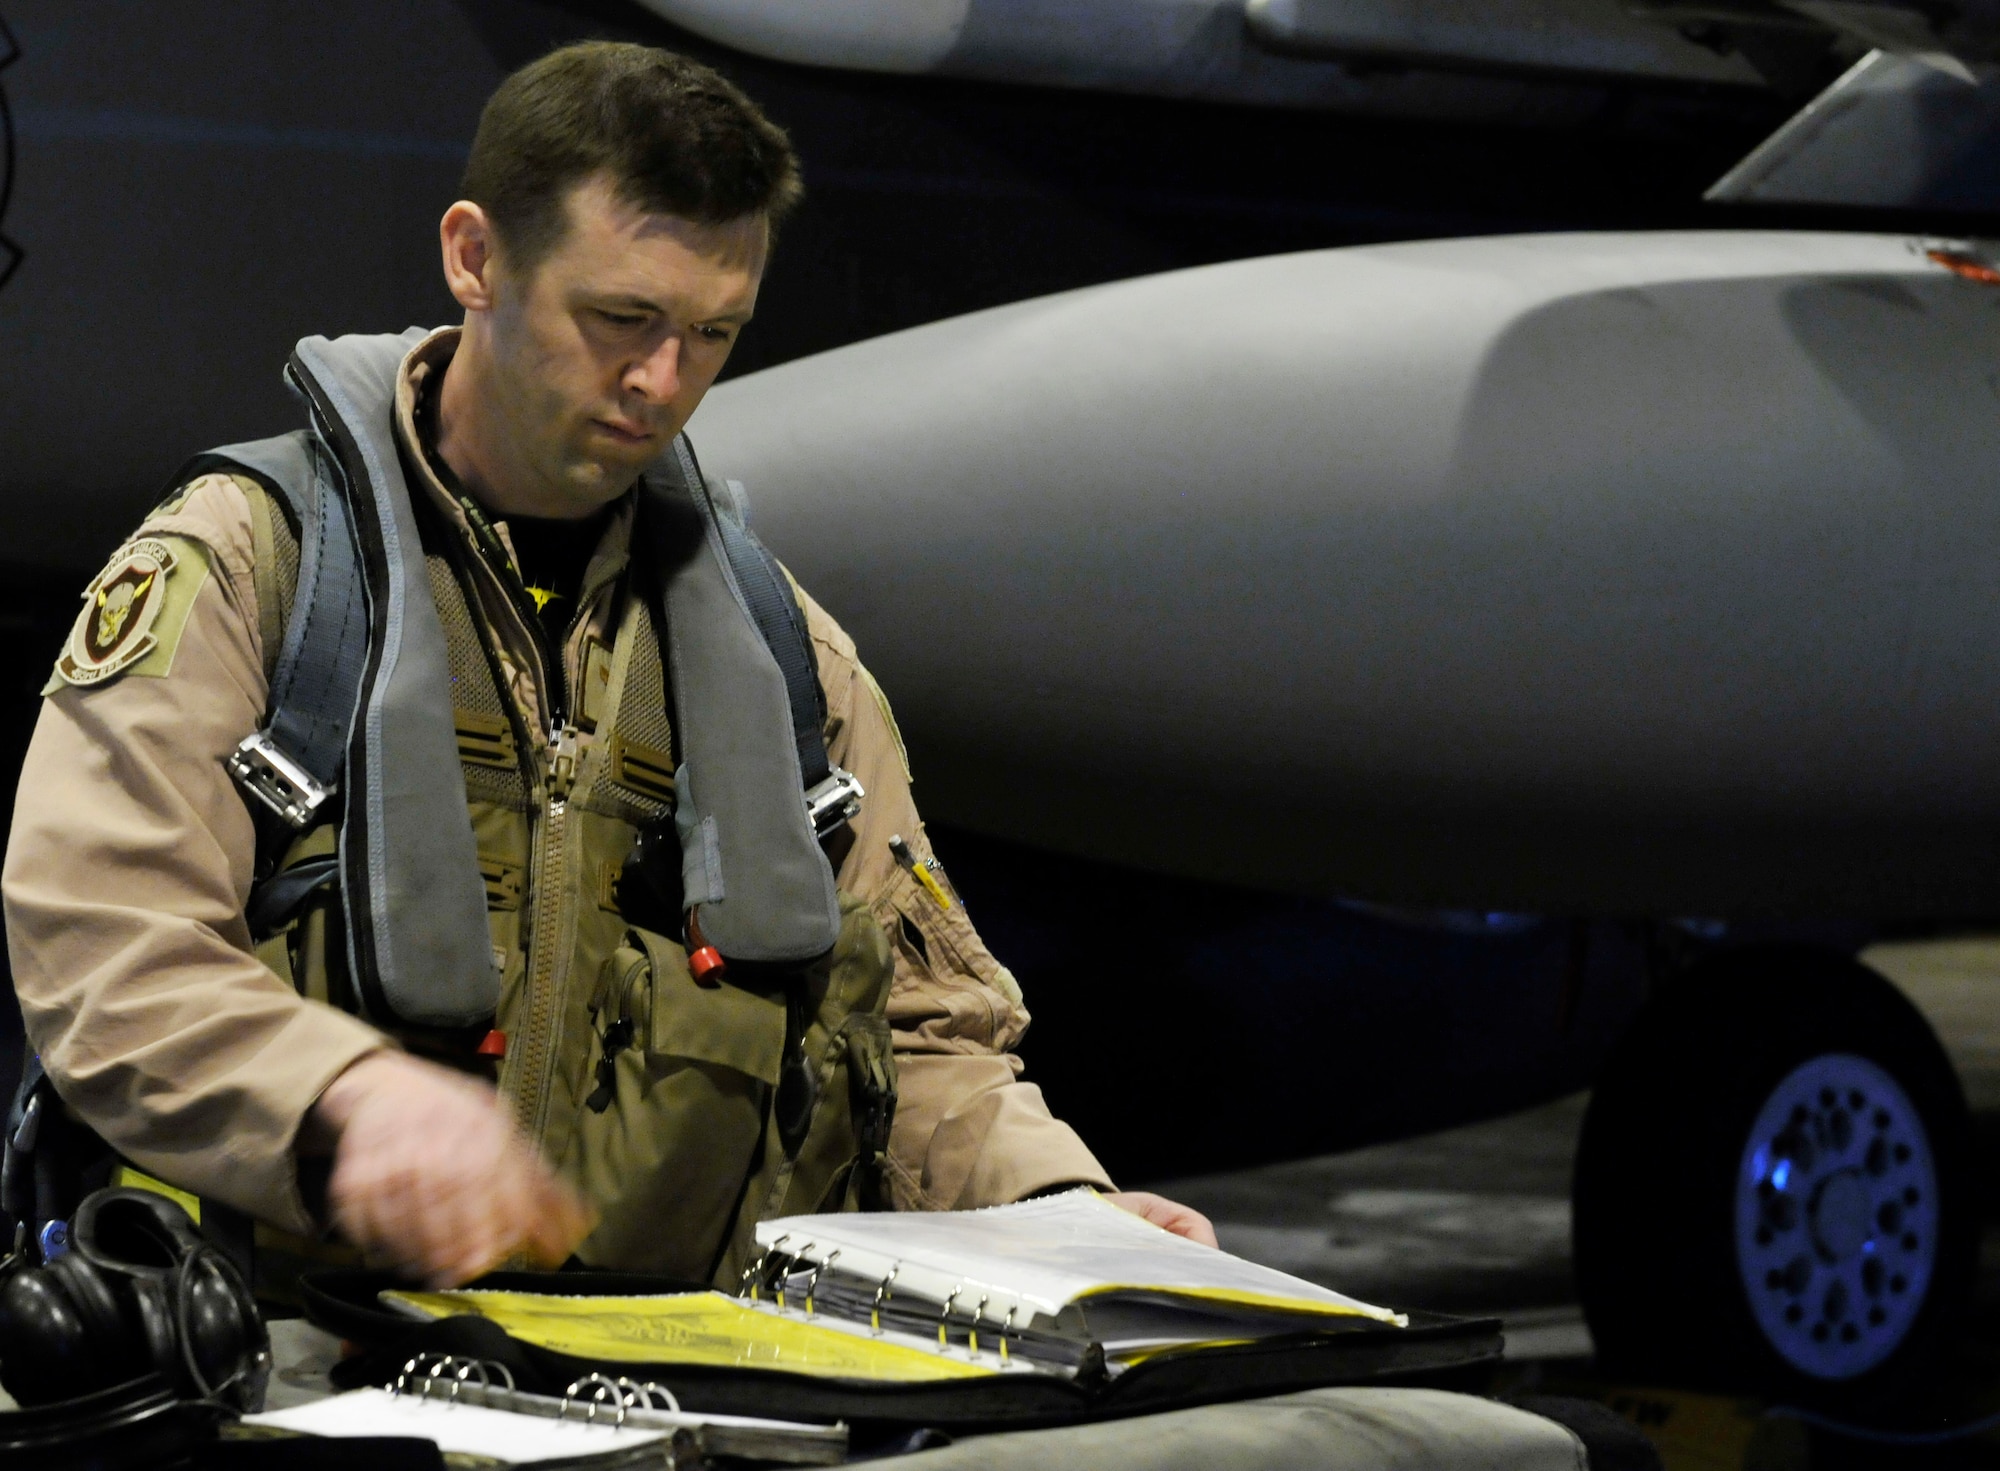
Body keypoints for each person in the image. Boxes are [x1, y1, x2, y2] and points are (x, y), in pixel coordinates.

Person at [1, 41, 1213, 1289]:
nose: (660, 382)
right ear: (474, 257)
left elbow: (921, 1032)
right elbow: (107, 945)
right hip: (287, 1365)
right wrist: (340, 1097)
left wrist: (1064, 1203)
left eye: (712, 333)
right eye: (620, 318)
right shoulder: (256, 569)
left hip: (669, 1395)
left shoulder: (781, 657)